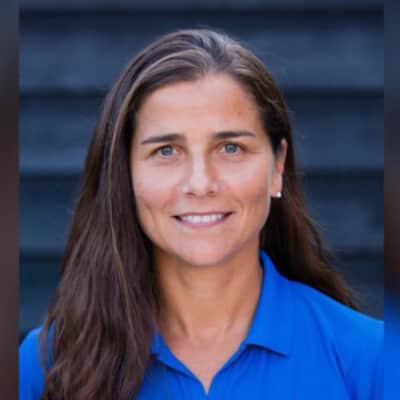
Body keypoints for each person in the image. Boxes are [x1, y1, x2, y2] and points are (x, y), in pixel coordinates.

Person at [19, 29, 382, 400]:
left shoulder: (372, 360)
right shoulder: (46, 365)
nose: (200, 183)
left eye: (230, 148)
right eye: (166, 151)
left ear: (277, 167)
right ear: (124, 175)